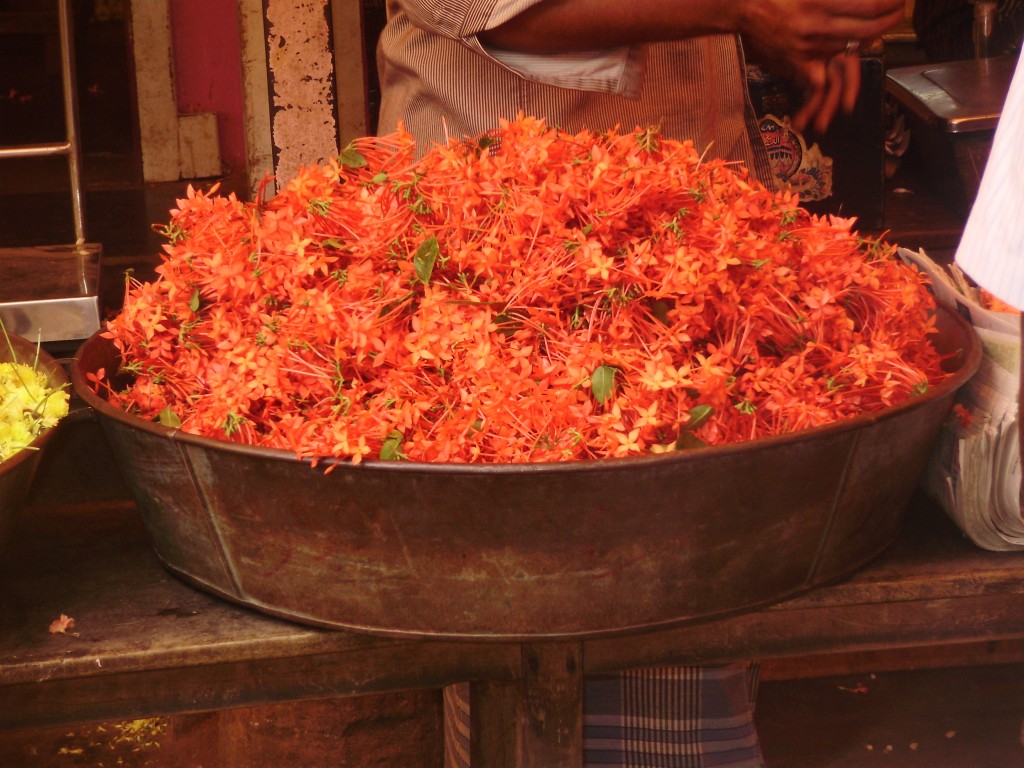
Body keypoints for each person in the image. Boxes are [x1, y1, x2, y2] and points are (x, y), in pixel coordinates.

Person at [374, 2, 907, 766]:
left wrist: (793, 31)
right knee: (540, 597)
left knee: (696, 589)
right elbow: (494, 10)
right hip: (505, 248)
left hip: (688, 230)